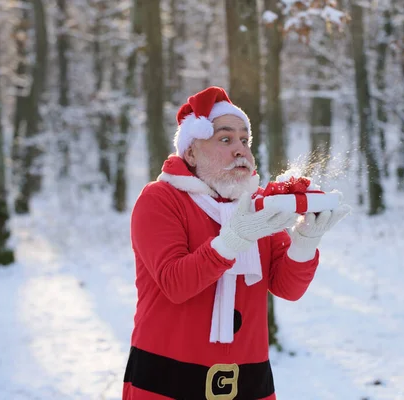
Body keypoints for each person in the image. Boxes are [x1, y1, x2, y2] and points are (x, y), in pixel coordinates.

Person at [122, 86, 350, 400]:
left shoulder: (257, 205)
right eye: (225, 139)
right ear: (190, 152)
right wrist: (233, 239)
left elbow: (287, 288)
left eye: (245, 140)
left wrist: (305, 242)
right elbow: (175, 283)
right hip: (168, 381)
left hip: (248, 382)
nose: (240, 149)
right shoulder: (160, 199)